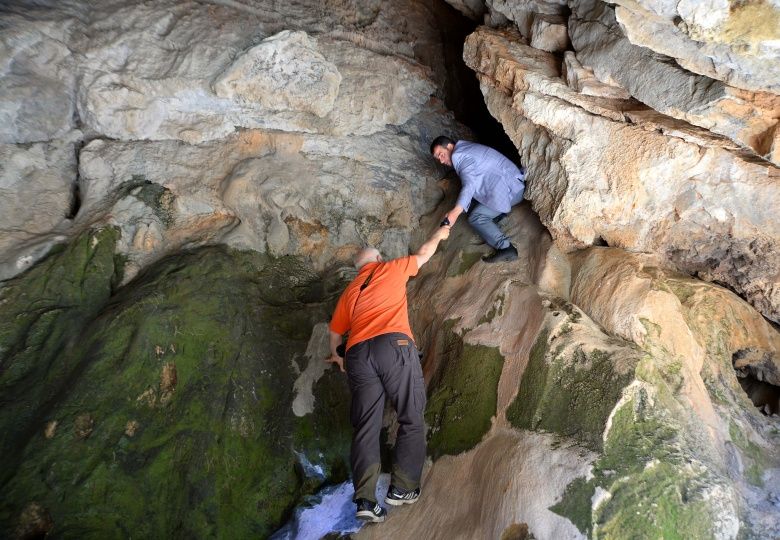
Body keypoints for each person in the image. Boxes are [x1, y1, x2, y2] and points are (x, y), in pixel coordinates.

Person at [326, 225, 450, 523]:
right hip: (391, 346)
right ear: (378, 259)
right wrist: (441, 233)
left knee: (366, 427)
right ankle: (402, 488)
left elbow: (334, 331)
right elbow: (423, 253)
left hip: (357, 354)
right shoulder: (391, 268)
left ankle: (366, 501)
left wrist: (337, 357)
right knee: (410, 413)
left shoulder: (351, 291)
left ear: (358, 270)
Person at [430, 135, 525, 263]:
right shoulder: (464, 148)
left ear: (449, 147)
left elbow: (469, 185)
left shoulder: (459, 156)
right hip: (513, 181)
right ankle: (498, 215)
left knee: (476, 217)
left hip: (512, 191)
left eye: (441, 154)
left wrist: (455, 212)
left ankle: (506, 248)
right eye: (437, 158)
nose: (441, 161)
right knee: (473, 203)